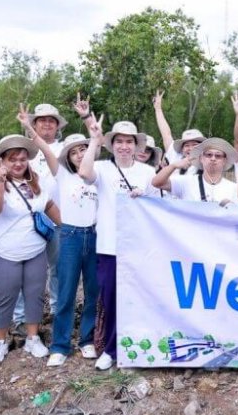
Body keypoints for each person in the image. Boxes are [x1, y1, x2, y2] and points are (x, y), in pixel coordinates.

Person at [78, 117, 158, 371]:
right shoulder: (102, 168)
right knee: (110, 297)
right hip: (110, 245)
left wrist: (143, 197)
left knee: (137, 297)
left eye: (129, 142)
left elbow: (158, 206)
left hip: (139, 246)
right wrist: (94, 140)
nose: (124, 146)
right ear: (112, 145)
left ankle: (135, 347)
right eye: (119, 141)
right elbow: (83, 172)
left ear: (137, 146)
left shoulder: (147, 172)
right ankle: (111, 350)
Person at [0, 135, 61, 365]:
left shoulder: (35, 185)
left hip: (35, 250)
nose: (18, 163)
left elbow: (48, 205)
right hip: (5, 251)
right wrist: (0, 181)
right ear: (2, 162)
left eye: (22, 159)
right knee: (4, 297)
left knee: (34, 295)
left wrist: (67, 225)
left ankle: (33, 338)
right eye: (12, 159)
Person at [27, 128, 101, 367]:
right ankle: (60, 345)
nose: (79, 155)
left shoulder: (97, 175)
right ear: (67, 157)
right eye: (74, 152)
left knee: (92, 291)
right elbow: (47, 150)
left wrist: (94, 132)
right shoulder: (62, 175)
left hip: (94, 235)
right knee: (66, 291)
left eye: (83, 149)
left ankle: (87, 340)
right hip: (69, 235)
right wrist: (30, 129)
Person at [25, 103, 68, 318]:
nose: (47, 123)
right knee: (29, 270)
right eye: (42, 120)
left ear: (57, 125)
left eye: (52, 120)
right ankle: (26, 315)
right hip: (28, 219)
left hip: (58, 217)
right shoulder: (24, 149)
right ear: (34, 124)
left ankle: (56, 308)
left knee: (58, 268)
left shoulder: (65, 148)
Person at [155, 138, 238, 203]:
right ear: (201, 158)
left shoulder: (233, 188)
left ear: (224, 161)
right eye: (209, 155)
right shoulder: (186, 182)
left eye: (218, 156)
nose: (213, 158)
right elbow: (157, 183)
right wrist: (173, 166)